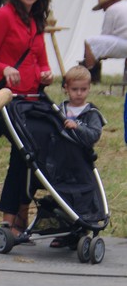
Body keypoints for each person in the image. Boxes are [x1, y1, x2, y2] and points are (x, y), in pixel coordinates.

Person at [0, 0, 53, 238]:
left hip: (34, 98)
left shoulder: (36, 20)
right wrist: (5, 68)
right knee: (23, 156)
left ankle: (22, 216)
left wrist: (46, 74)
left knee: (37, 155)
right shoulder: (3, 17)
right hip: (8, 99)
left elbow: (42, 60)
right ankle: (11, 220)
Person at [50, 63, 106, 247]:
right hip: (61, 162)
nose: (79, 93)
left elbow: (94, 135)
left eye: (83, 89)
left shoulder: (91, 113)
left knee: (82, 197)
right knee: (61, 196)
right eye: (75, 89)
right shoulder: (59, 110)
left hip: (81, 163)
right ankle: (63, 232)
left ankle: (80, 231)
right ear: (66, 88)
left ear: (89, 88)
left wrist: (78, 127)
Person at [83, 0, 127, 87]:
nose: (103, 10)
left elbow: (105, 35)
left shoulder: (111, 9)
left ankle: (90, 76)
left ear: (107, 3)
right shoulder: (125, 5)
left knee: (89, 42)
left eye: (103, 7)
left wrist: (99, 54)